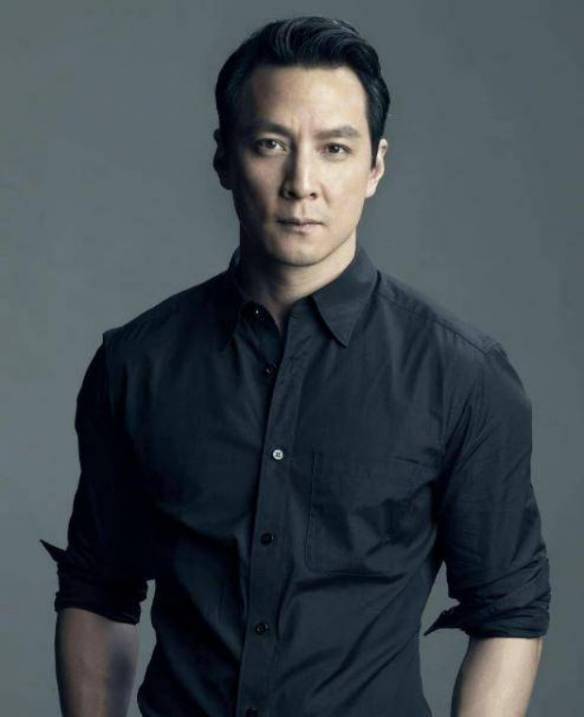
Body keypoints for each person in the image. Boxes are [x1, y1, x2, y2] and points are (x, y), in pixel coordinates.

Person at [41, 15, 551, 717]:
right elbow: (99, 592)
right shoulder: (136, 363)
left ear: (375, 167)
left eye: (335, 148)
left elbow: (507, 612)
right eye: (271, 144)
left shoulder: (464, 378)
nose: (301, 183)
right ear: (225, 159)